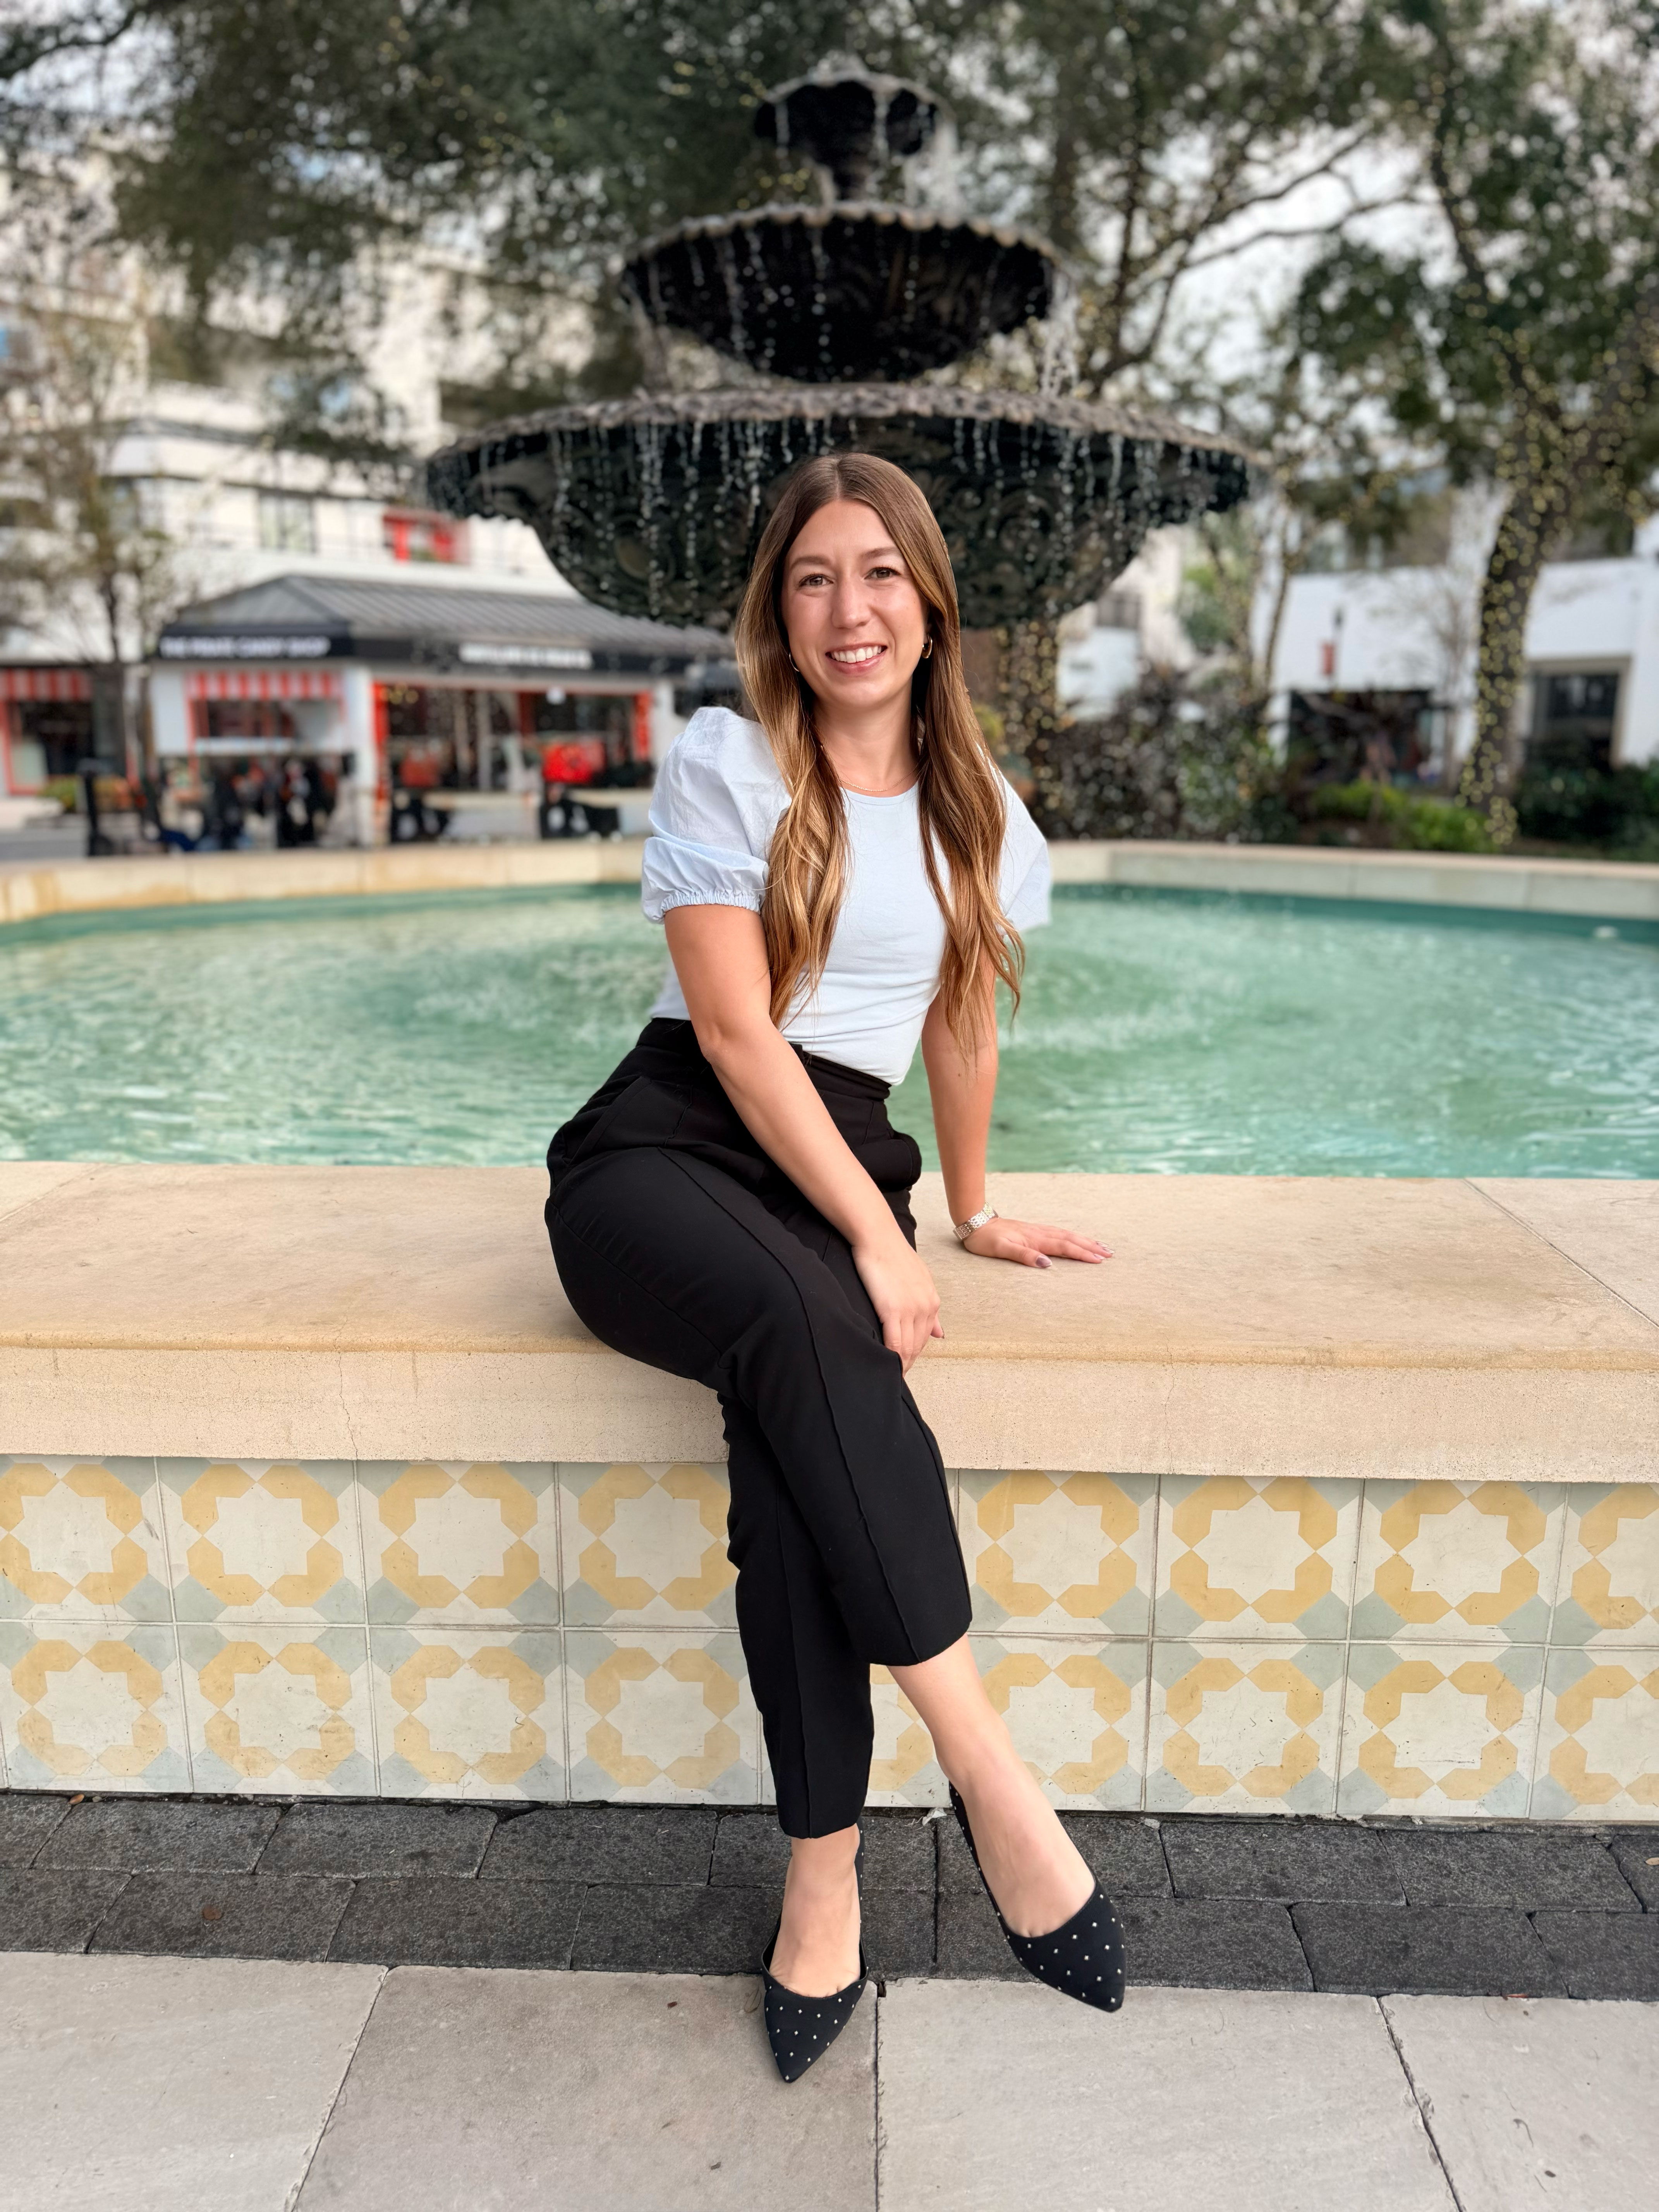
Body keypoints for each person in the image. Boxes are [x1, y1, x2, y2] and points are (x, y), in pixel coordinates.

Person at [545, 452, 1125, 2081]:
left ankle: (824, 1876)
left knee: (792, 1435)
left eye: (878, 572)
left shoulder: (988, 824)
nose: (847, 608)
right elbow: (735, 1032)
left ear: (931, 601)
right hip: (660, 1153)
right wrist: (881, 1236)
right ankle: (993, 1776)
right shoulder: (732, 760)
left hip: (832, 1169)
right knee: (818, 1316)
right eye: (812, 578)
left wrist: (973, 1203)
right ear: (777, 611)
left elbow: (958, 1020)